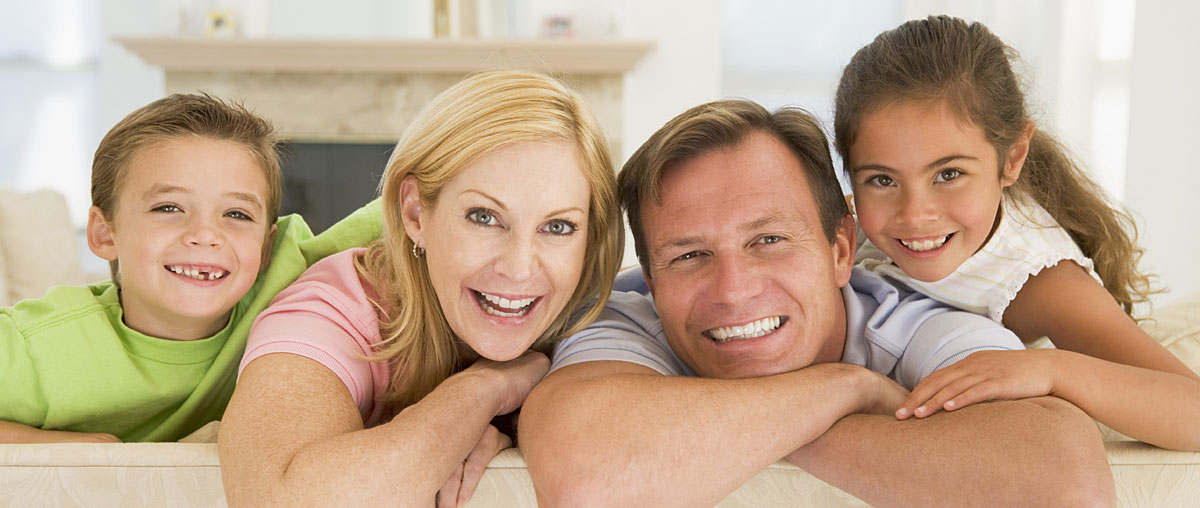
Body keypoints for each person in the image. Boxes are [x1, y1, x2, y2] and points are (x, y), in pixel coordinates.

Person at [519, 99, 1115, 507]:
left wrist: (738, 428)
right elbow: (584, 476)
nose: (733, 289)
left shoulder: (910, 322)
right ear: (646, 277)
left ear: (840, 250)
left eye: (769, 240)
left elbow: (1067, 478)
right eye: (688, 256)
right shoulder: (627, 314)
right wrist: (843, 389)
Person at [217, 70, 624, 507]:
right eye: (484, 217)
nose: (520, 269)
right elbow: (281, 499)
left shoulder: (598, 315)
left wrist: (515, 427)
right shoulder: (332, 309)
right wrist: (483, 390)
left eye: (558, 226)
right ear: (415, 213)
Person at [834, 15, 1200, 451]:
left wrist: (1050, 369)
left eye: (949, 174)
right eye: (882, 180)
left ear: (1012, 158)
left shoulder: (1040, 282)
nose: (915, 215)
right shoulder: (854, 222)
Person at [0, 93, 357, 443]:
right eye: (168, 208)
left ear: (265, 247)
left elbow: (400, 213)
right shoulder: (37, 345)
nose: (205, 235)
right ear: (105, 233)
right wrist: (57, 446)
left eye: (237, 214)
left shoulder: (288, 279)